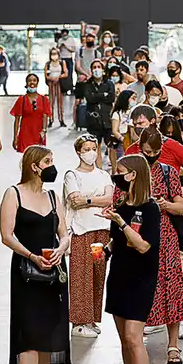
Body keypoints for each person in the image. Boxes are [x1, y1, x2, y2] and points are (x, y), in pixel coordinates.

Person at [0, 145, 72, 364]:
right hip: (26, 272)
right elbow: (7, 235)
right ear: (34, 166)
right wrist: (31, 256)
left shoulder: (53, 197)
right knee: (28, 333)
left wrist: (61, 248)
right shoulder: (13, 194)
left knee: (48, 333)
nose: (52, 165)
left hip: (54, 272)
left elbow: (64, 232)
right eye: (47, 161)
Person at [126, 105, 183, 337]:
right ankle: (151, 315)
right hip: (142, 217)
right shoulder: (132, 151)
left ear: (154, 122)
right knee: (146, 266)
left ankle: (182, 318)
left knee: (177, 265)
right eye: (136, 123)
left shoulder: (171, 146)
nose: (140, 126)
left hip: (173, 211)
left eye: (144, 122)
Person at [99, 154, 161, 364]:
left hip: (140, 278)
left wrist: (121, 223)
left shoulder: (150, 209)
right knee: (125, 340)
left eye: (121, 171)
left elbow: (144, 245)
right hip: (119, 276)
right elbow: (118, 240)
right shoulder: (121, 205)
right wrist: (106, 250)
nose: (117, 176)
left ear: (134, 174)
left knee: (135, 337)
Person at [126, 129, 183, 364]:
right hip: (139, 236)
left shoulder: (168, 172)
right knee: (141, 286)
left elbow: (180, 207)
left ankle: (173, 345)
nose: (150, 156)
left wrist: (165, 205)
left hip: (166, 237)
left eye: (155, 152)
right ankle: (136, 337)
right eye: (146, 152)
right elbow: (121, 201)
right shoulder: (131, 173)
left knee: (171, 286)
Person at [64, 135, 114, 338]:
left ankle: (92, 318)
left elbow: (110, 198)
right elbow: (74, 201)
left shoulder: (103, 174)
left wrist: (88, 200)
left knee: (97, 272)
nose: (90, 152)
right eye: (86, 149)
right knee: (80, 275)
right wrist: (96, 200)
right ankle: (78, 321)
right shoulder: (72, 175)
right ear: (78, 151)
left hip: (101, 231)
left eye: (93, 148)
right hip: (81, 231)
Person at [11, 74, 52, 153]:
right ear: (26, 83)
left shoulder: (44, 99)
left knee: (37, 158)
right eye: (29, 80)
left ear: (37, 83)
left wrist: (44, 130)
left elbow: (45, 116)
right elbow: (17, 120)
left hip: (39, 134)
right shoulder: (21, 99)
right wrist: (15, 137)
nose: (32, 82)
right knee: (27, 158)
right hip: (25, 134)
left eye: (34, 80)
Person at [82, 59, 116, 148]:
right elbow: (89, 99)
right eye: (94, 67)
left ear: (103, 69)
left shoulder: (109, 83)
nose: (96, 69)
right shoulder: (88, 84)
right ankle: (98, 162)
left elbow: (111, 98)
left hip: (107, 119)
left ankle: (113, 163)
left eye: (99, 67)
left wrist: (96, 96)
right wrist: (103, 95)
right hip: (94, 120)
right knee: (96, 146)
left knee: (111, 147)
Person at [109, 90, 137, 167]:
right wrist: (123, 139)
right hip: (121, 139)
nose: (134, 101)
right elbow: (114, 130)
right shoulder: (117, 113)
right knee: (122, 161)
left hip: (131, 137)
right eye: (133, 98)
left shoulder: (132, 111)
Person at [44, 47, 68, 127]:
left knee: (60, 102)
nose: (54, 55)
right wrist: (52, 78)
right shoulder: (48, 64)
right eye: (52, 54)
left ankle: (61, 120)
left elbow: (66, 73)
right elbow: (46, 75)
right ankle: (51, 120)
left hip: (59, 83)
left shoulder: (62, 62)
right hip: (51, 83)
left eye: (55, 54)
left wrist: (59, 77)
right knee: (51, 102)